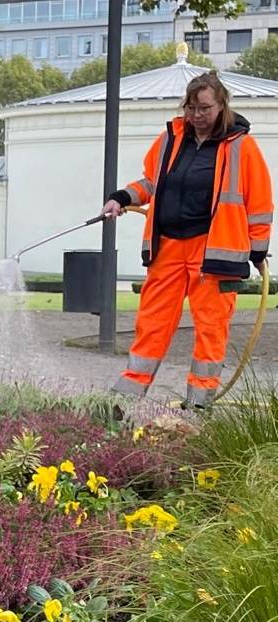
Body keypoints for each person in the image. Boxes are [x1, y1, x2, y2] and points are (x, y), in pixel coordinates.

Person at [103, 71, 271, 408]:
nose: (197, 115)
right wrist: (122, 197)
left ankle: (198, 404)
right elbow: (152, 184)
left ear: (222, 105)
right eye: (191, 108)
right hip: (168, 248)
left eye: (205, 108)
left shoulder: (241, 147)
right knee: (151, 322)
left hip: (214, 253)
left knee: (210, 328)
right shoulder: (170, 138)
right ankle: (125, 399)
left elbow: (260, 205)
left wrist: (257, 250)